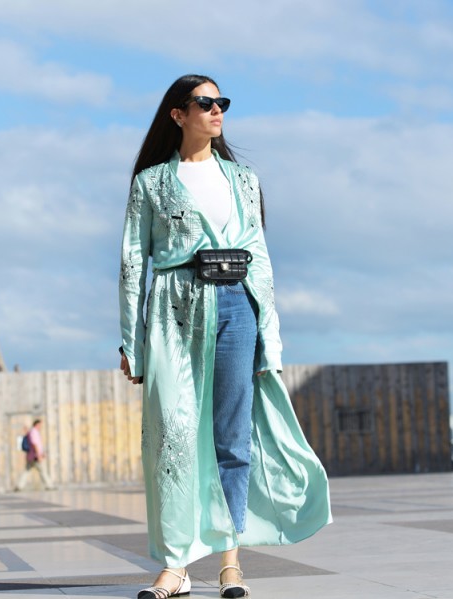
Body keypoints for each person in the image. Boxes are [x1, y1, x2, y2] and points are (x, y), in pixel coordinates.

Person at [118, 74, 331, 599]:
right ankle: (176, 564)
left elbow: (260, 260)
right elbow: (131, 265)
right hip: (174, 310)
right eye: (206, 103)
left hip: (237, 305)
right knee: (173, 434)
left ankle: (230, 563)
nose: (217, 111)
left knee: (232, 437)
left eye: (222, 103)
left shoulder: (243, 178)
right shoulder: (150, 183)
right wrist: (132, 340)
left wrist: (271, 341)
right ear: (178, 114)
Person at [14, 419, 55, 491]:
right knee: (42, 470)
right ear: (37, 424)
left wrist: (42, 453)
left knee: (27, 471)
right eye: (40, 425)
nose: (41, 427)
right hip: (35, 456)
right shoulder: (34, 432)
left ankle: (19, 486)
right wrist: (39, 455)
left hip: (31, 456)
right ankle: (49, 485)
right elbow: (34, 444)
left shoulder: (31, 432)